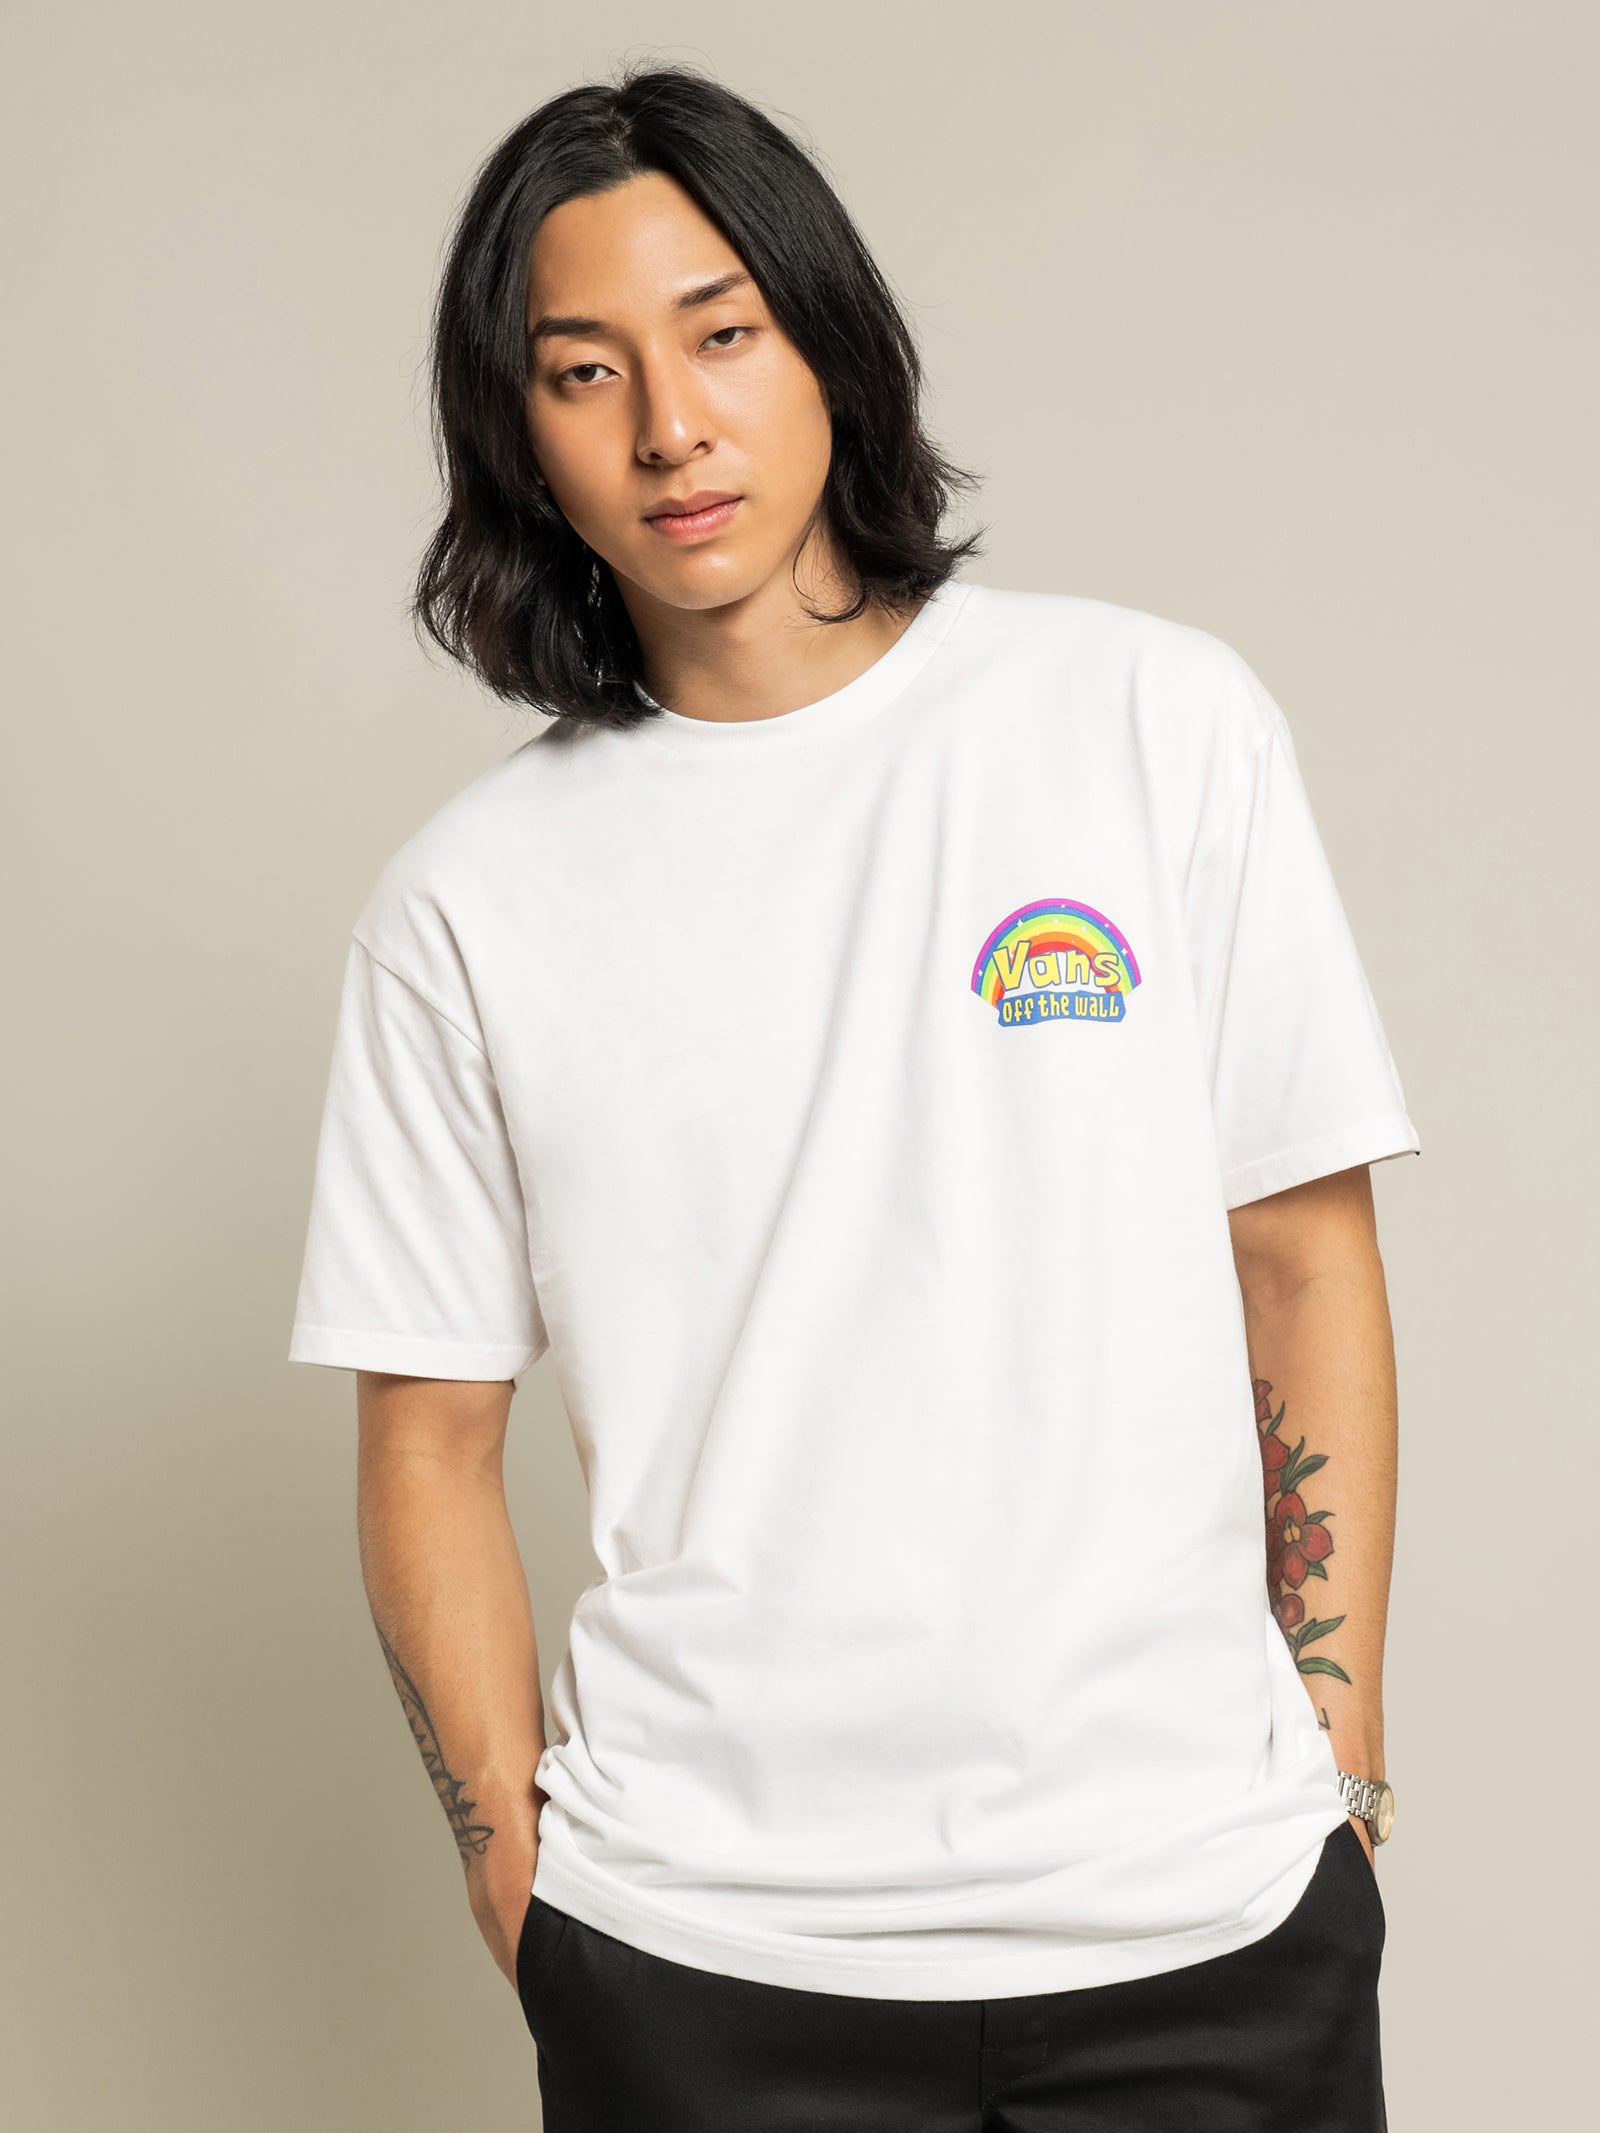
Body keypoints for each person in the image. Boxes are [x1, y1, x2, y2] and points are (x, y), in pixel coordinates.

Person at [288, 60, 1416, 2133]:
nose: (669, 425)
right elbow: (427, 1434)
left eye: (720, 333)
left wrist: (1330, 1757)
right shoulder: (466, 903)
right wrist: (520, 1881)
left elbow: (1299, 1256)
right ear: (519, 435)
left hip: (1202, 1920)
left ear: (825, 338)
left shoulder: (1148, 720)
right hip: (706, 1963)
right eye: (583, 370)